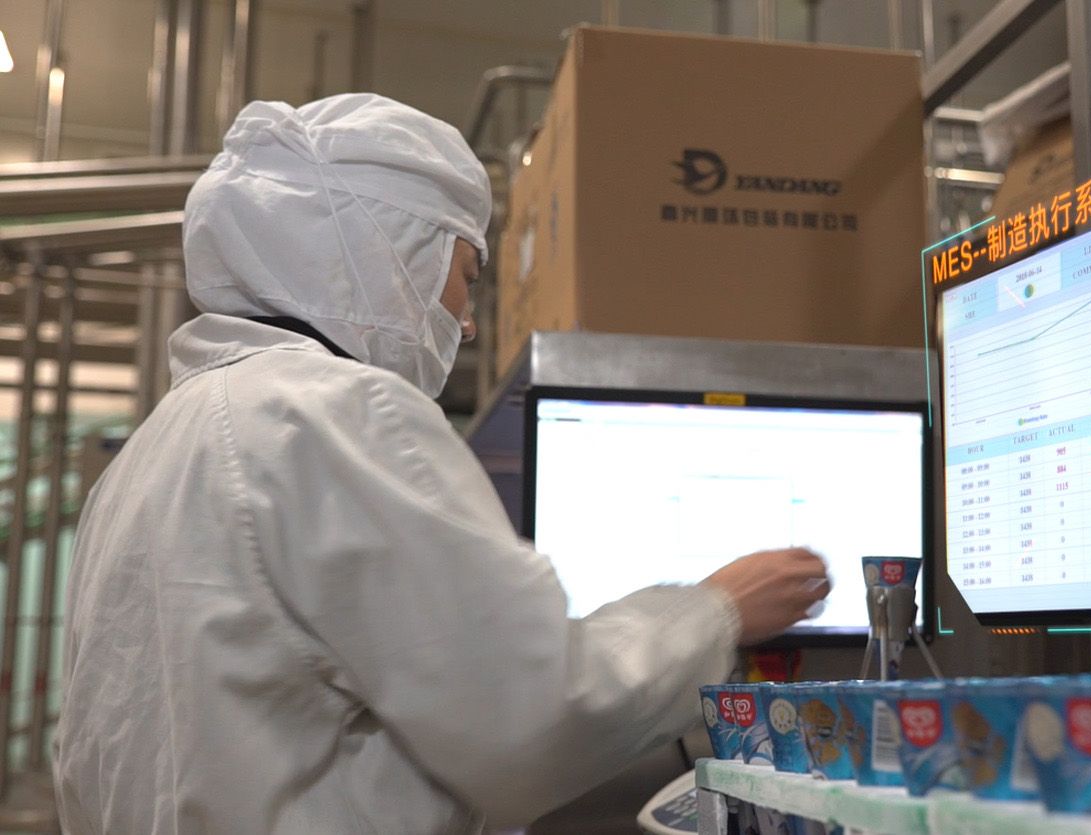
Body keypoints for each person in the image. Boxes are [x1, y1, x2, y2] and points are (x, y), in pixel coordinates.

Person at [52, 94, 830, 833]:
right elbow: (531, 717)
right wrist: (718, 609)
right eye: (464, 274)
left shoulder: (159, 444)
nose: (465, 318)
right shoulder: (336, 414)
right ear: (388, 252)